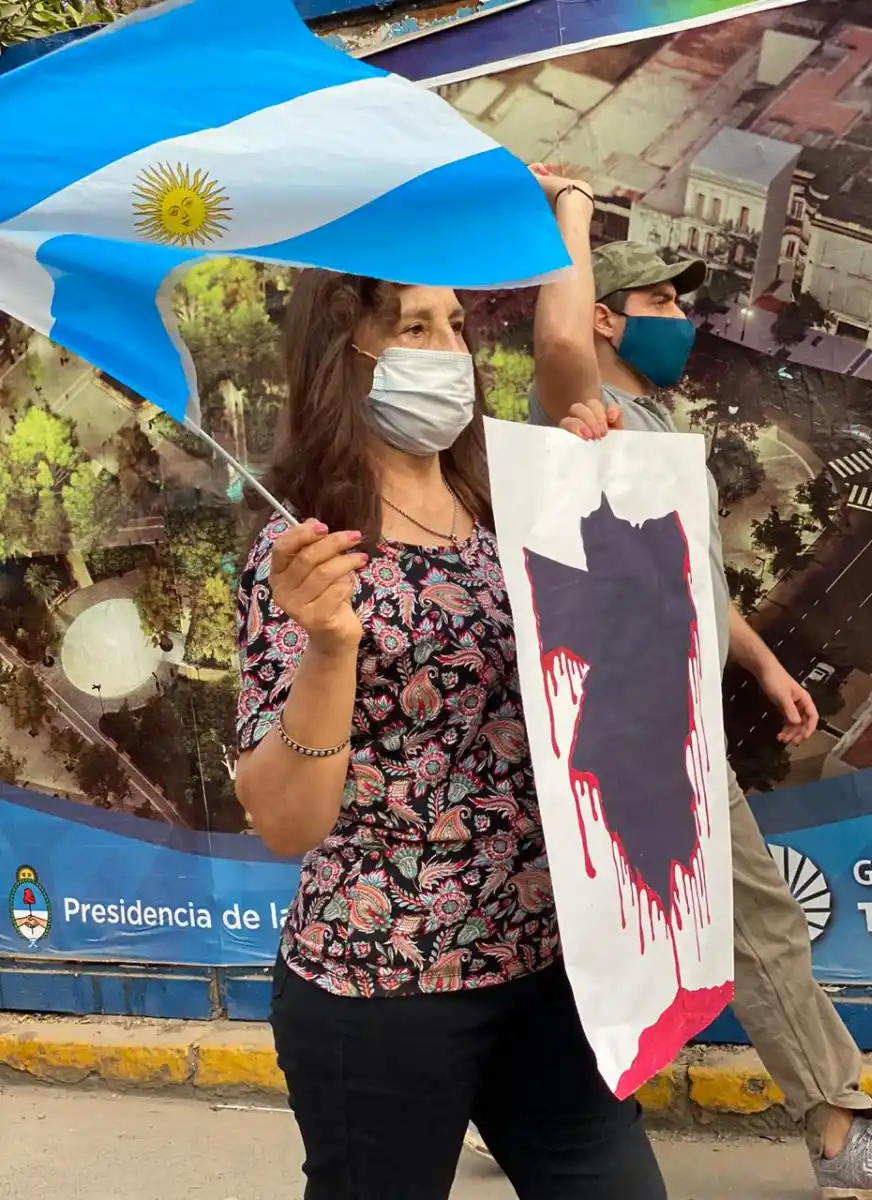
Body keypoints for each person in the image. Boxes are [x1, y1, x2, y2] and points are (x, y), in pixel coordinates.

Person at [233, 270, 668, 1200]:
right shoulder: (309, 552)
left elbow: (620, 671)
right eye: (415, 329)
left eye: (456, 326)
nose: (450, 353)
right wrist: (330, 648)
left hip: (549, 960)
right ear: (344, 358)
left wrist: (608, 493)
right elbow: (285, 821)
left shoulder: (513, 504)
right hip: (385, 980)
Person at [519, 163, 872, 1199]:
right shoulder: (584, 413)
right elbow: (555, 347)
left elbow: (689, 576)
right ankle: (838, 1125)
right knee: (754, 914)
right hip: (637, 719)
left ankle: (538, 1109)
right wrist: (572, 213)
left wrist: (765, 664)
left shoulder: (654, 429)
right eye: (658, 302)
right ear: (604, 318)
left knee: (583, 929)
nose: (681, 321)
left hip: (644, 710)